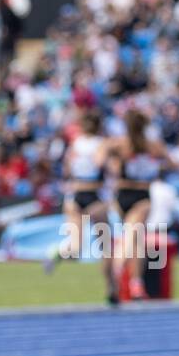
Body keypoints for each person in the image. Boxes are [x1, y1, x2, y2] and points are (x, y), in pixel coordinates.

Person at [46, 110, 119, 304]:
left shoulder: (75, 143)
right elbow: (101, 164)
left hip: (74, 195)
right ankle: (111, 289)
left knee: (75, 248)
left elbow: (67, 169)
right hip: (94, 195)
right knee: (106, 248)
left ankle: (58, 251)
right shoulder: (101, 143)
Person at [108, 108, 168, 300]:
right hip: (141, 196)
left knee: (137, 239)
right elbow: (172, 162)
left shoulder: (120, 145)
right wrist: (154, 167)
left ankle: (136, 284)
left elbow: (102, 159)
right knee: (132, 236)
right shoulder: (151, 146)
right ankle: (116, 271)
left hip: (122, 196)